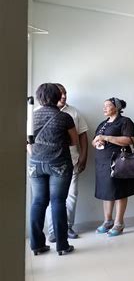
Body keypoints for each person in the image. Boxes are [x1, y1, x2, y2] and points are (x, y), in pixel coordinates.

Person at [27, 83, 78, 255]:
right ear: (57, 97)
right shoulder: (64, 117)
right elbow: (74, 141)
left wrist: (34, 154)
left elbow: (27, 142)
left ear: (40, 97)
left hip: (35, 164)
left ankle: (37, 245)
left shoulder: (31, 117)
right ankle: (62, 246)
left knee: (38, 202)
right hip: (59, 163)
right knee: (58, 202)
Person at [46, 84, 89, 242]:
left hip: (72, 161)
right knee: (52, 198)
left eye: (65, 93)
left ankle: (67, 227)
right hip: (49, 164)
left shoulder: (74, 112)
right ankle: (53, 231)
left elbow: (83, 135)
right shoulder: (40, 112)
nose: (64, 96)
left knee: (71, 196)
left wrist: (84, 157)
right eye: (60, 93)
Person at [92, 97, 134, 236]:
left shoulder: (125, 121)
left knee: (120, 191)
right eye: (103, 106)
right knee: (106, 191)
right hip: (103, 162)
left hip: (119, 162)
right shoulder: (103, 124)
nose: (104, 108)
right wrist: (97, 143)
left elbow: (129, 140)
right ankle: (108, 221)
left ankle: (119, 223)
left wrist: (106, 138)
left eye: (107, 106)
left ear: (116, 107)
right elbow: (95, 140)